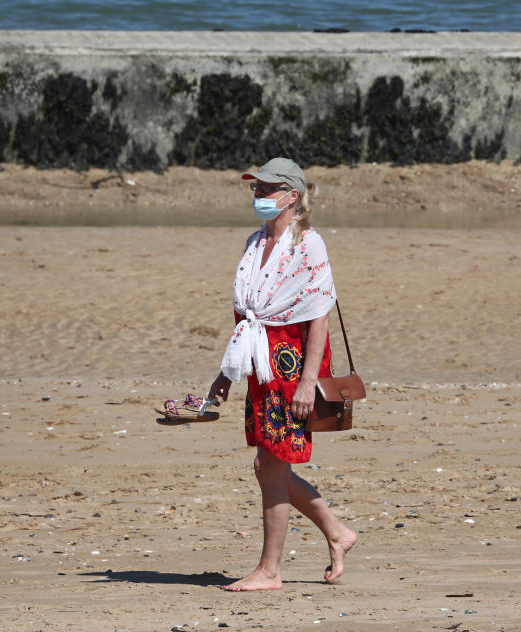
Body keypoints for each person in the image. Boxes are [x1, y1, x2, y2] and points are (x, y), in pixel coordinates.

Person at [207, 157, 357, 592]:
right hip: (259, 367)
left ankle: (270, 571)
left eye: (268, 189)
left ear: (292, 196)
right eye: (255, 189)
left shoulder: (309, 244)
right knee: (266, 465)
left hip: (291, 369)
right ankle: (337, 533)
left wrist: (310, 381)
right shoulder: (254, 244)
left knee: (272, 467)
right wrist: (225, 375)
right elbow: (245, 318)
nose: (259, 196)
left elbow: (319, 318)